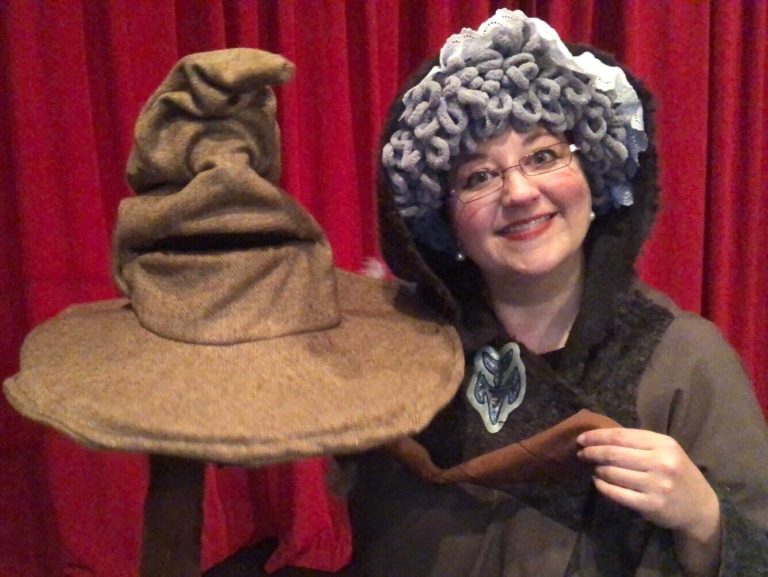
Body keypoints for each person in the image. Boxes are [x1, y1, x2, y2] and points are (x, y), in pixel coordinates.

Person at [232, 9, 768, 577]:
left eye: (543, 156)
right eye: (478, 177)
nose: (518, 193)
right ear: (445, 223)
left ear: (593, 178)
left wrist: (705, 521)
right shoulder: (395, 349)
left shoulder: (685, 362)